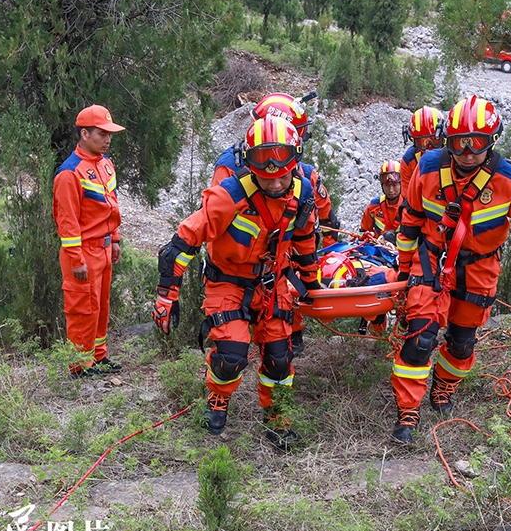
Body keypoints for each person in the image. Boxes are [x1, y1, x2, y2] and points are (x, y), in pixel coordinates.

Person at [390, 95, 511, 443]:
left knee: (463, 343)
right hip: (432, 258)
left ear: (491, 140)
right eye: (459, 143)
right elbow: (410, 222)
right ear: (447, 142)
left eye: (477, 143)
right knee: (420, 337)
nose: (467, 152)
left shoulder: (509, 180)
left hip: (480, 266)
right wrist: (404, 275)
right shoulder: (428, 168)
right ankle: (408, 410)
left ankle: (444, 386)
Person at [152, 115, 319, 449]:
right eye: (265, 175)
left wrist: (311, 283)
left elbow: (305, 240)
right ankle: (217, 397)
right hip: (227, 282)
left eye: (281, 174)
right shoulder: (229, 195)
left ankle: (277, 417)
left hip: (272, 287)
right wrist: (167, 295)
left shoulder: (303, 192)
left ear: (295, 162)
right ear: (249, 165)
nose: (274, 183)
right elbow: (180, 244)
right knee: (231, 356)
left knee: (279, 358)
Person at [211, 92, 338, 357]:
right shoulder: (232, 166)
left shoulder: (303, 172)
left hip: (281, 259)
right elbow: (214, 220)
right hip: (238, 266)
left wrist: (327, 244)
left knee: (279, 352)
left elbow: (322, 211)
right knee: (231, 355)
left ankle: (290, 333)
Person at [53, 104, 126, 378]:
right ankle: (79, 366)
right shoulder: (69, 173)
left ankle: (98, 356)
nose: (107, 140)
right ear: (84, 134)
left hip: (104, 249)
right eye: (102, 134)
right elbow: (67, 221)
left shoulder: (105, 165)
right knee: (82, 309)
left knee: (101, 306)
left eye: (109, 134)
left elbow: (111, 205)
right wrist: (76, 259)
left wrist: (115, 239)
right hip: (83, 252)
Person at [400, 106, 445, 197]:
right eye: (423, 142)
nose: (429, 148)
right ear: (414, 142)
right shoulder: (409, 161)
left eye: (434, 140)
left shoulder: (456, 155)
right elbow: (407, 197)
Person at [359, 160, 403, 244]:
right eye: (387, 185)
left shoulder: (409, 207)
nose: (391, 190)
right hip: (377, 252)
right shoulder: (373, 206)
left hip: (402, 253)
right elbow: (363, 232)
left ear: (401, 184)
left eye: (394, 185)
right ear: (382, 185)